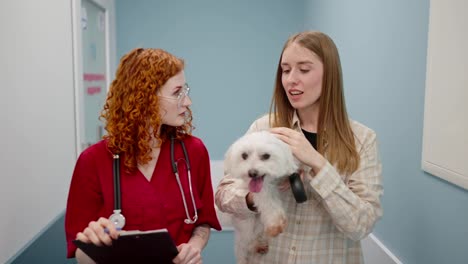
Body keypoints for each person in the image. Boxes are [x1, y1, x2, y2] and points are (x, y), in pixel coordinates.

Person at [215, 31, 383, 264]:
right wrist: (257, 196)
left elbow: (361, 225)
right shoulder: (263, 128)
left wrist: (318, 163)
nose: (291, 79)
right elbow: (223, 195)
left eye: (304, 70)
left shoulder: (362, 140)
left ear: (330, 75)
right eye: (285, 70)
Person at [65, 48, 221, 264]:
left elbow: (202, 223)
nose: (188, 102)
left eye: (185, 91)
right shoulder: (93, 161)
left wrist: (194, 247)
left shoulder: (193, 152)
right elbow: (79, 251)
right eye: (177, 93)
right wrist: (94, 245)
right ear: (145, 97)